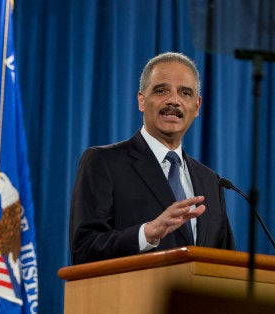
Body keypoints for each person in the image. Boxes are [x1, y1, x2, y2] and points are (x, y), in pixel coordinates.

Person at [69, 52, 235, 265]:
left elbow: (226, 262)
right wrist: (146, 233)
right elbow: (84, 249)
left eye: (185, 93)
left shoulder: (211, 181)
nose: (173, 100)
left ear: (197, 106)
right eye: (161, 90)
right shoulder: (103, 163)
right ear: (141, 100)